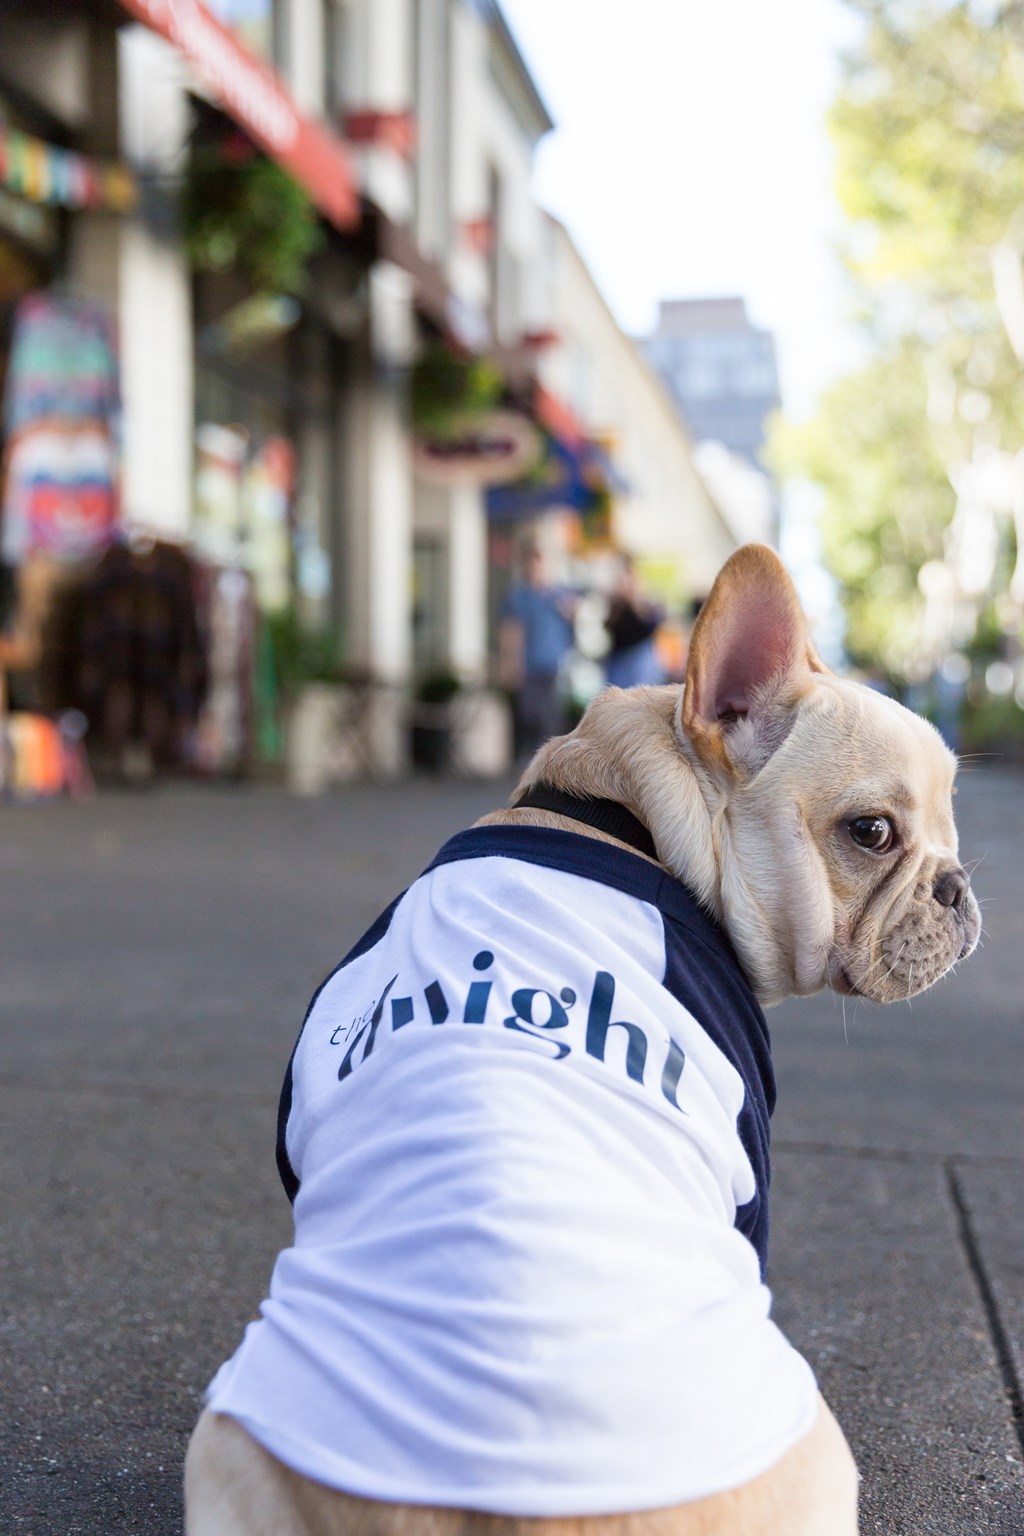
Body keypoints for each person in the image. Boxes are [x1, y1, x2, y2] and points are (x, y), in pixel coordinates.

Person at [499, 546, 576, 763]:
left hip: (553, 663)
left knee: (550, 714)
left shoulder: (558, 595)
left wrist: (570, 609)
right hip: (529, 664)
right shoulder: (519, 597)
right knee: (529, 712)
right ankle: (532, 757)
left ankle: (549, 759)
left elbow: (576, 618)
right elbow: (511, 630)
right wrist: (510, 662)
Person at [603, 556, 665, 688]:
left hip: (639, 657)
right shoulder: (616, 604)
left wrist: (636, 602)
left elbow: (652, 625)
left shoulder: (643, 603)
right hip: (620, 658)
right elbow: (609, 626)